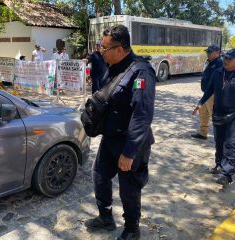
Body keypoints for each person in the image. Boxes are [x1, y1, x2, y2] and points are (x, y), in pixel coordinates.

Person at [84, 25, 156, 240]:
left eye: (104, 48)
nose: (100, 52)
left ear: (120, 48)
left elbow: (142, 115)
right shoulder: (113, 66)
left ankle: (132, 229)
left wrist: (130, 152)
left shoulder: (141, 72)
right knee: (100, 176)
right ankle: (105, 217)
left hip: (130, 143)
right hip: (111, 138)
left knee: (129, 188)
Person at [193, 48, 235, 186]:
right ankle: (219, 165)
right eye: (225, 58)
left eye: (229, 59)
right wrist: (200, 103)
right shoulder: (217, 72)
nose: (226, 61)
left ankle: (227, 174)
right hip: (219, 113)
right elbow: (209, 90)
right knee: (219, 142)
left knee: (232, 144)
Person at [191, 44, 223, 140]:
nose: (208, 53)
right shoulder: (211, 62)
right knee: (203, 112)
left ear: (217, 52)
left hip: (213, 94)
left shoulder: (220, 63)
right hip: (207, 93)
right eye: (207, 51)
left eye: (210, 52)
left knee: (214, 115)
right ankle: (202, 133)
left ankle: (221, 136)